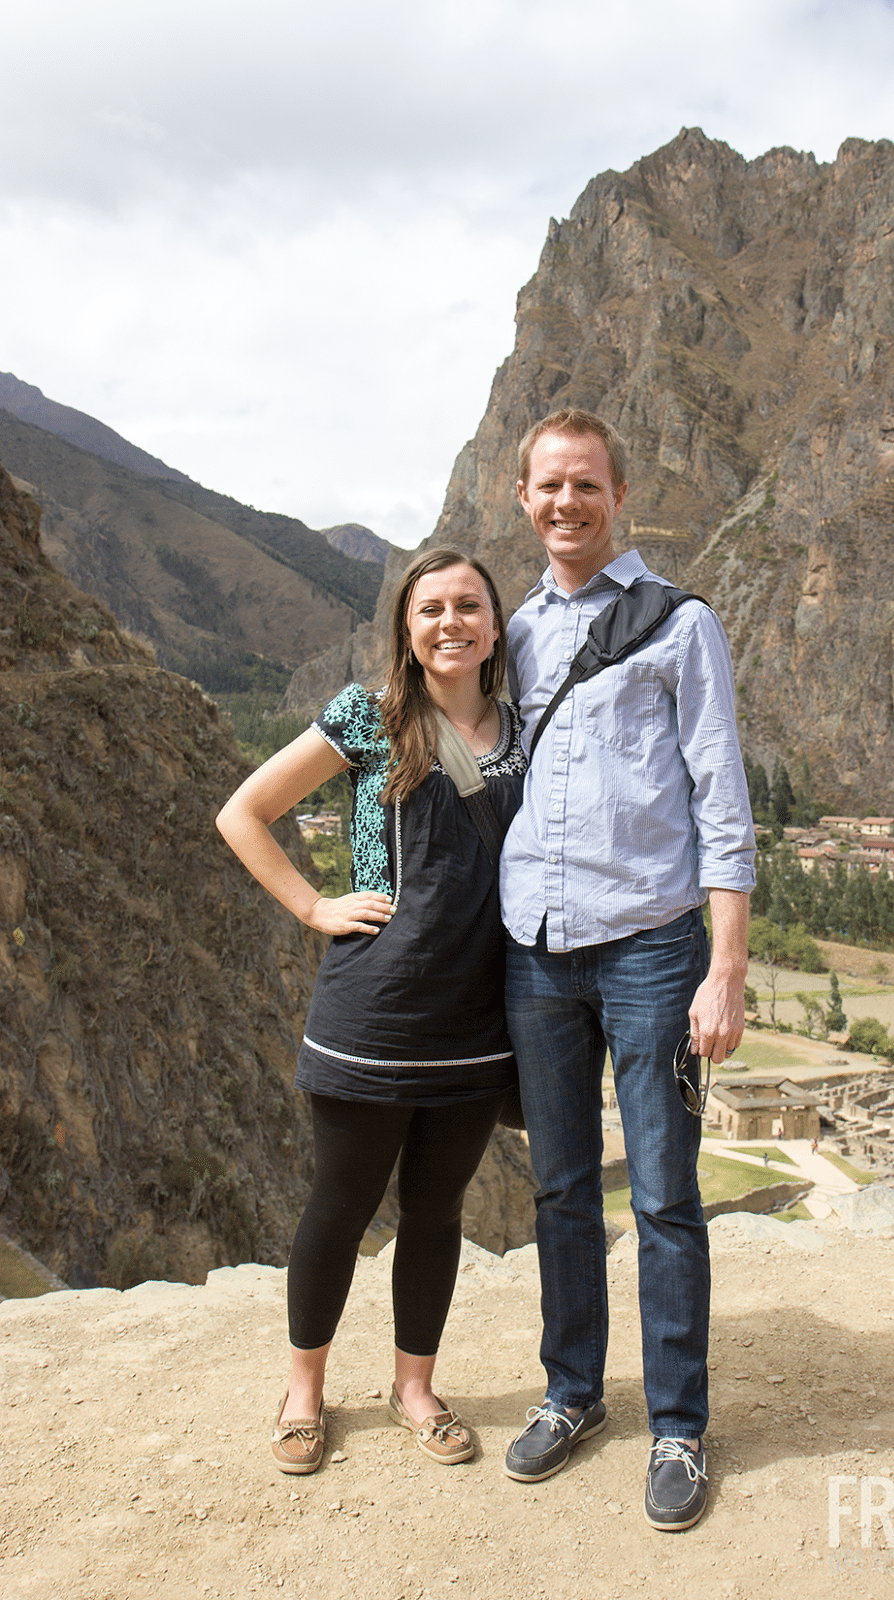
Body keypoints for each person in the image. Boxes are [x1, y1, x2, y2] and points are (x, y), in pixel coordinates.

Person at [499, 408, 756, 1531]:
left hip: (653, 945)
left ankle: (677, 1425)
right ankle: (571, 1394)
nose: (566, 503)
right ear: (522, 498)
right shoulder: (509, 631)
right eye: (547, 486)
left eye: (585, 485)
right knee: (559, 1186)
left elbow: (721, 800)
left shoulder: (676, 624)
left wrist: (726, 966)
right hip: (538, 950)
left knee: (660, 1195)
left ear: (618, 497)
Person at [216, 548, 526, 1475]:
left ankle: (415, 1386)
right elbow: (246, 811)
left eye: (467, 606)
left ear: (495, 625)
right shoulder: (373, 714)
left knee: (436, 1214)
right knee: (339, 1209)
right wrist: (314, 906)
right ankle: (303, 1392)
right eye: (429, 609)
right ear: (406, 628)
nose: (449, 623)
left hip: (477, 1023)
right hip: (374, 1015)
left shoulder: (524, 729)